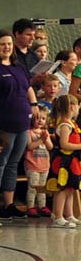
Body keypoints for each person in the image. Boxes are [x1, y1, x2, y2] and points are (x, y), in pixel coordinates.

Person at [0, 29, 35, 219]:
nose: (6, 47)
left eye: (9, 44)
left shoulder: (18, 66)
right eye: (2, 44)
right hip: (3, 123)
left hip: (23, 122)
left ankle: (9, 202)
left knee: (13, 164)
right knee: (0, 163)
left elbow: (28, 87)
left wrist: (34, 105)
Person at [49, 94, 81, 228]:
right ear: (72, 107)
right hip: (63, 161)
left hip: (72, 161)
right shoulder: (64, 125)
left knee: (70, 188)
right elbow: (64, 144)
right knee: (62, 189)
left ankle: (69, 215)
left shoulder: (72, 124)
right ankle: (58, 216)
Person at [25, 106, 53, 218]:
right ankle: (30, 207)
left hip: (44, 165)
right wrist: (41, 140)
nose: (40, 120)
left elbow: (50, 147)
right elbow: (30, 146)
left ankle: (42, 206)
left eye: (43, 118)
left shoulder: (45, 132)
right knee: (33, 187)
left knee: (42, 188)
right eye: (37, 118)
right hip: (32, 165)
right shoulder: (29, 132)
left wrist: (46, 139)